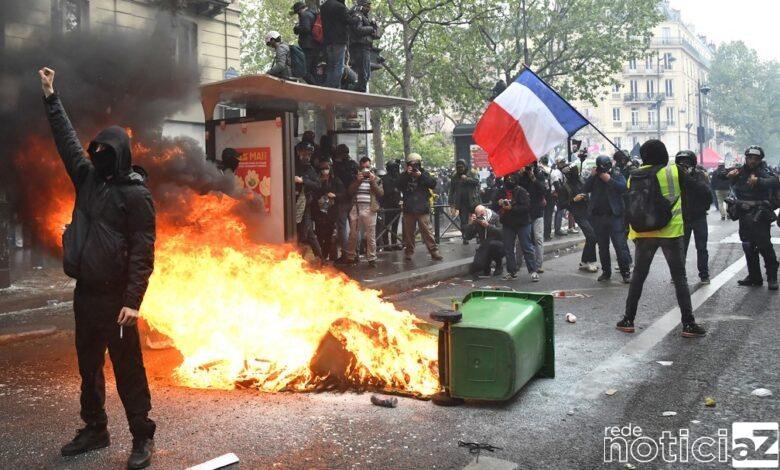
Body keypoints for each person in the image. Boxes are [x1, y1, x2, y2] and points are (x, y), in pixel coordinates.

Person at [39, 67, 157, 469]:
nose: (98, 159)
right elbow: (67, 142)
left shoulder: (136, 196)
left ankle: (142, 436)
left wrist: (133, 301)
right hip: (85, 293)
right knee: (88, 366)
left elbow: (144, 252)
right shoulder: (87, 179)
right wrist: (51, 97)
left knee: (128, 371)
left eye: (107, 154)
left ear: (121, 155)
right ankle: (95, 428)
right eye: (96, 154)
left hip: (116, 300)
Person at [617, 140, 707, 337]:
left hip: (643, 233)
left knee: (638, 277)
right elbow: (700, 190)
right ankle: (688, 324)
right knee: (679, 278)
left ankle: (628, 319)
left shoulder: (634, 176)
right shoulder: (674, 171)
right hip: (670, 233)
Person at [727, 145, 779, 290]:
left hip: (759, 214)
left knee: (765, 246)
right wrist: (730, 176)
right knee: (748, 245)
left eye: (755, 158)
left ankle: (772, 277)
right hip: (743, 213)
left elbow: (776, 181)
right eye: (750, 158)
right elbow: (721, 175)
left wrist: (759, 181)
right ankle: (754, 276)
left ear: (760, 159)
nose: (752, 161)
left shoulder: (764, 171)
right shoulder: (740, 170)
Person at [584, 155, 632, 283]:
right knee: (603, 247)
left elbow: (624, 188)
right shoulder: (595, 177)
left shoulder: (616, 174)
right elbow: (585, 188)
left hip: (614, 216)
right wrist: (592, 176)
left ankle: (625, 272)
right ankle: (606, 272)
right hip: (599, 217)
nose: (601, 170)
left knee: (619, 245)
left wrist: (609, 180)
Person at [675, 150, 713, 284]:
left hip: (699, 216)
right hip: (682, 217)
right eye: (681, 163)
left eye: (687, 162)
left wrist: (689, 178)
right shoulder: (675, 177)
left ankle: (704, 274)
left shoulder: (700, 175)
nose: (684, 165)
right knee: (680, 248)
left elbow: (707, 193)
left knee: (701, 247)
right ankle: (679, 275)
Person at [398, 153, 443, 261]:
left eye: (416, 164)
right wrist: (406, 175)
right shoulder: (404, 175)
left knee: (426, 230)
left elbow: (433, 184)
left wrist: (420, 176)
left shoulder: (424, 173)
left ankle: (433, 251)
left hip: (422, 208)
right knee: (408, 232)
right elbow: (398, 185)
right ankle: (409, 251)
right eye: (411, 164)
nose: (414, 166)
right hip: (409, 208)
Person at [495, 173, 536, 281]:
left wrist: (511, 208)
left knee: (526, 246)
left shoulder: (521, 191)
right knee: (508, 248)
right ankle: (511, 271)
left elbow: (526, 207)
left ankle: (533, 271)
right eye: (508, 179)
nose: (509, 181)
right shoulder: (501, 191)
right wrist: (498, 202)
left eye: (512, 179)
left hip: (523, 223)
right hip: (508, 224)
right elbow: (493, 204)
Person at [344, 157, 384, 266]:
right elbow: (350, 191)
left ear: (371, 167)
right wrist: (358, 181)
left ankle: (371, 258)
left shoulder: (376, 179)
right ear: (360, 168)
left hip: (370, 209)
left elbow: (380, 193)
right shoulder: (356, 178)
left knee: (370, 235)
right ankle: (351, 256)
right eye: (363, 167)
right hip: (356, 208)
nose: (365, 170)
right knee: (353, 234)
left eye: (368, 167)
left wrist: (372, 182)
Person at [560, 165, 598, 273]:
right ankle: (589, 261)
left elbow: (589, 189)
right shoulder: (565, 187)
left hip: (588, 211)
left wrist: (585, 196)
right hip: (578, 214)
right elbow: (561, 204)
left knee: (593, 237)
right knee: (591, 236)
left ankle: (584, 262)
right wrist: (573, 200)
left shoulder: (581, 180)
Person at [294, 141, 324, 264]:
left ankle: (318, 258)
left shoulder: (310, 169)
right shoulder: (292, 165)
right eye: (304, 153)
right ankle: (316, 258)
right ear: (298, 152)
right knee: (302, 233)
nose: (306, 156)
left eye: (308, 154)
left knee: (305, 233)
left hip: (304, 205)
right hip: (290, 204)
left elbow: (317, 185)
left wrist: (303, 180)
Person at [311, 160, 346, 262]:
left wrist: (335, 195)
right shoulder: (317, 180)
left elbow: (343, 194)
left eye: (326, 168)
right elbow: (313, 193)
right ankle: (320, 256)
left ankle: (325, 256)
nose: (325, 171)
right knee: (319, 235)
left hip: (331, 212)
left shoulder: (335, 180)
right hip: (319, 212)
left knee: (329, 235)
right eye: (322, 169)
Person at [517, 163, 546, 280]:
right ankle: (517, 263)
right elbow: (516, 189)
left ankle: (538, 265)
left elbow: (543, 190)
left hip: (537, 212)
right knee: (521, 239)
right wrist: (521, 174)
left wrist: (533, 178)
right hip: (525, 213)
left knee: (538, 238)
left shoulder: (539, 174)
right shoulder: (521, 177)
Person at [331, 144, 358, 262]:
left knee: (342, 228)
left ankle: (346, 254)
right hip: (353, 199)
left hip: (342, 200)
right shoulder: (354, 165)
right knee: (354, 227)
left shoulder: (337, 166)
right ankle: (354, 253)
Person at [462, 204, 504, 279]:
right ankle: (486, 268)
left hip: (498, 244)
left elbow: (501, 233)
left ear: (485, 211)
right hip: (484, 245)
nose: (481, 217)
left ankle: (499, 265)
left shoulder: (495, 217)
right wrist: (471, 224)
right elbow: (468, 237)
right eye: (479, 216)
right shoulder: (477, 220)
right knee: (474, 268)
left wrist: (488, 226)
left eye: (482, 214)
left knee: (493, 245)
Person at [348, 0, 380, 92]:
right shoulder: (357, 16)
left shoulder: (365, 17)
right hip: (360, 47)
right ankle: (359, 89)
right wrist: (371, 28)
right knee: (363, 71)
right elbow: (358, 30)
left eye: (369, 6)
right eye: (367, 6)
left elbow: (375, 34)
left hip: (366, 47)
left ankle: (360, 88)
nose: (369, 8)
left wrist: (374, 28)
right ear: (361, 6)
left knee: (366, 72)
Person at [448, 159, 481, 245]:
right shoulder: (454, 177)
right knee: (463, 222)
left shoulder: (472, 173)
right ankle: (465, 237)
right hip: (462, 203)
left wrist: (467, 179)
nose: (460, 169)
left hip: (473, 201)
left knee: (477, 219)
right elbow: (451, 190)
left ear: (465, 166)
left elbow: (477, 182)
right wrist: (451, 204)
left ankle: (478, 236)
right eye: (458, 167)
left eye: (461, 167)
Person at [320, 0, 351, 88]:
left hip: (328, 40)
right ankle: (335, 88)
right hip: (339, 39)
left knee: (331, 65)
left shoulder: (324, 6)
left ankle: (329, 87)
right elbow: (348, 20)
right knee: (338, 65)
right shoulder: (340, 7)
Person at [291, 1, 320, 84]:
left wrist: (296, 28)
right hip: (315, 45)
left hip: (308, 46)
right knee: (313, 70)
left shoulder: (304, 15)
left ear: (300, 9)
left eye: (297, 12)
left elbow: (306, 29)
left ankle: (316, 87)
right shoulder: (313, 14)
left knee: (305, 71)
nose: (298, 14)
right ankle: (318, 87)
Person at [379, 159, 402, 250]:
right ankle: (386, 245)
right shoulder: (384, 179)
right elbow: (383, 192)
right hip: (387, 206)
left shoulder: (397, 177)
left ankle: (394, 243)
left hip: (396, 205)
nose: (396, 170)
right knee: (386, 226)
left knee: (395, 226)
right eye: (394, 168)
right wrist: (394, 190)